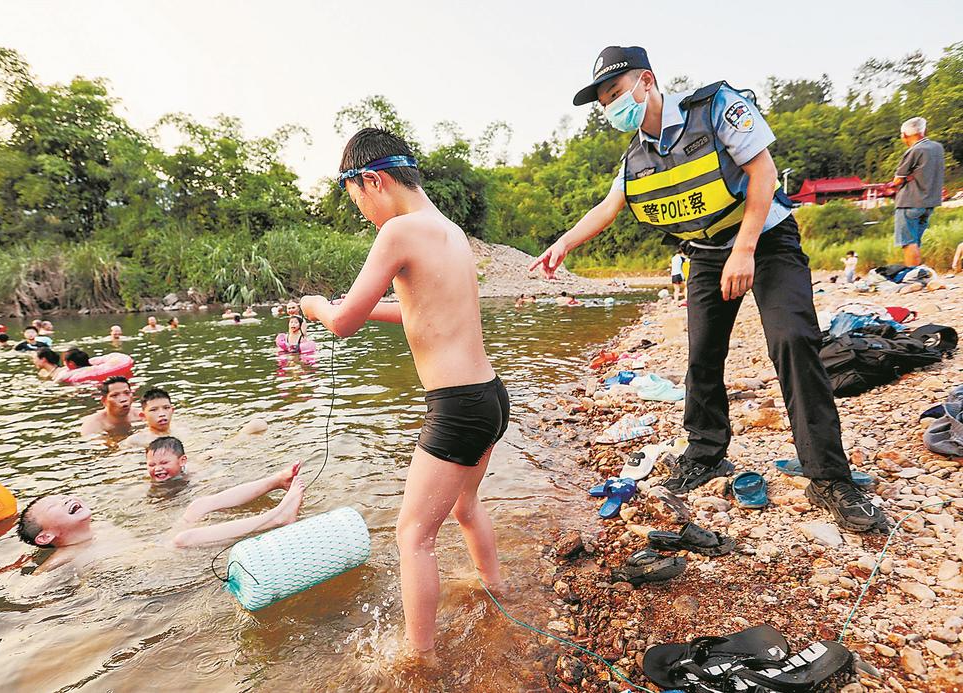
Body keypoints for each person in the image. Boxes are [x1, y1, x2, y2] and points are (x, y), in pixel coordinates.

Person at [530, 45, 886, 533]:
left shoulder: (716, 108)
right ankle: (706, 452)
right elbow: (610, 206)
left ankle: (829, 477)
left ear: (647, 81)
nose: (611, 107)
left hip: (766, 239)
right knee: (702, 352)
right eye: (604, 102)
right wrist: (562, 244)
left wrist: (744, 250)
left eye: (615, 93)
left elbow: (762, 172)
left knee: (792, 340)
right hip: (706, 251)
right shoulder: (637, 156)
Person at [300, 128, 508, 658]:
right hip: (490, 396)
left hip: (457, 407)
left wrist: (316, 306)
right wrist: (361, 307)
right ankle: (495, 586)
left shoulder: (397, 233)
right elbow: (422, 311)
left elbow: (341, 323)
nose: (364, 215)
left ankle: (421, 658)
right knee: (464, 505)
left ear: (372, 180)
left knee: (413, 535)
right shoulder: (450, 230)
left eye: (358, 202)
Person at [15, 462, 305, 572]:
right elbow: (35, 585)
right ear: (46, 537)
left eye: (64, 495)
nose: (67, 499)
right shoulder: (64, 556)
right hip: (158, 560)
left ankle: (276, 481)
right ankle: (278, 518)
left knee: (198, 506)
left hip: (155, 543)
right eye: (55, 505)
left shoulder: (98, 528)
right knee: (183, 538)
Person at [891, 117, 945, 267]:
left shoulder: (914, 150)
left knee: (908, 242)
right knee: (916, 241)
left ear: (905, 135)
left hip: (909, 201)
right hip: (930, 202)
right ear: (923, 131)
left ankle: (912, 277)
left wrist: (906, 178)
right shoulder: (937, 148)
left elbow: (897, 180)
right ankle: (917, 274)